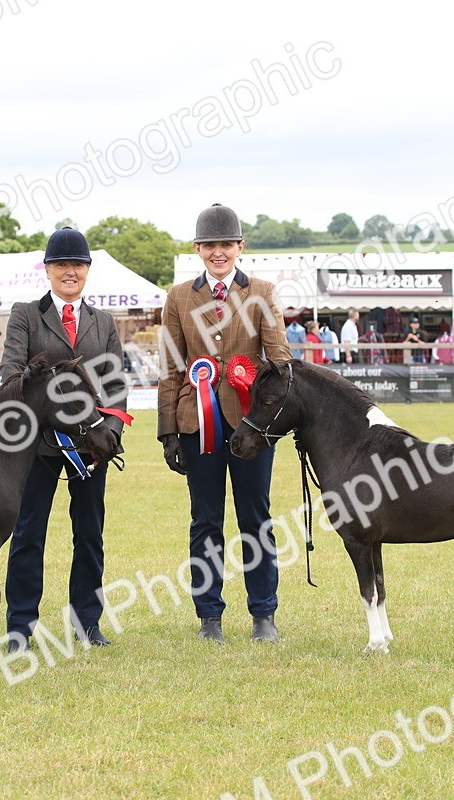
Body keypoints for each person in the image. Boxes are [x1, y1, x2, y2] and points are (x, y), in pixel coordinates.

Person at [157, 203, 292, 644]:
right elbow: (171, 367)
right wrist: (167, 431)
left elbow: (280, 360)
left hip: (252, 425)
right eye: (210, 244)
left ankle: (264, 613)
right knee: (205, 520)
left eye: (226, 244)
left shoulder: (263, 292)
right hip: (196, 424)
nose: (219, 252)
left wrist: (276, 416)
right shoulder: (179, 297)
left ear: (240, 246)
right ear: (197, 248)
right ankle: (209, 615)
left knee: (256, 518)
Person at [1, 227, 129, 651]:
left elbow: (115, 384)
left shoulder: (103, 322)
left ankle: (87, 622)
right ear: (47, 269)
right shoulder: (25, 315)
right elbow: (11, 376)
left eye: (77, 264)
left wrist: (108, 434)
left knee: (90, 535)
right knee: (28, 535)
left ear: (87, 270)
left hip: (91, 446)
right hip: (38, 447)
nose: (69, 271)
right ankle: (20, 627)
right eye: (61, 265)